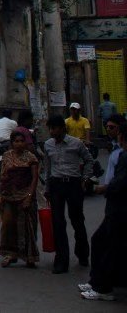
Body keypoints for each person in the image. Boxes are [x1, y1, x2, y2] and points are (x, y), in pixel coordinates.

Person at [79, 115, 127, 301]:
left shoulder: (124, 155)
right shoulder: (116, 151)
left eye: (113, 128)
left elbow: (119, 182)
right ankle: (97, 281)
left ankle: (103, 287)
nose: (109, 130)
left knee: (106, 245)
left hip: (119, 207)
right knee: (104, 242)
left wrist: (102, 189)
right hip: (115, 205)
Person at [43, 114, 93, 274]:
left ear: (63, 128)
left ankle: (83, 253)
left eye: (55, 128)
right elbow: (48, 167)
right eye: (50, 128)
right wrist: (47, 188)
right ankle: (61, 260)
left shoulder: (76, 143)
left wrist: (85, 178)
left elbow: (89, 160)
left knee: (77, 220)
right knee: (58, 223)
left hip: (73, 184)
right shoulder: (48, 145)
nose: (52, 131)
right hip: (57, 184)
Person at [0, 130, 40, 267]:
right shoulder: (6, 156)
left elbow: (34, 179)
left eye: (22, 141)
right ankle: (10, 254)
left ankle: (29, 256)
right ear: (12, 143)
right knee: (8, 225)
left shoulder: (31, 157)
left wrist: (29, 196)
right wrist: (2, 195)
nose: (19, 144)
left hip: (25, 195)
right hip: (9, 196)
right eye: (16, 141)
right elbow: (3, 175)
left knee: (27, 226)